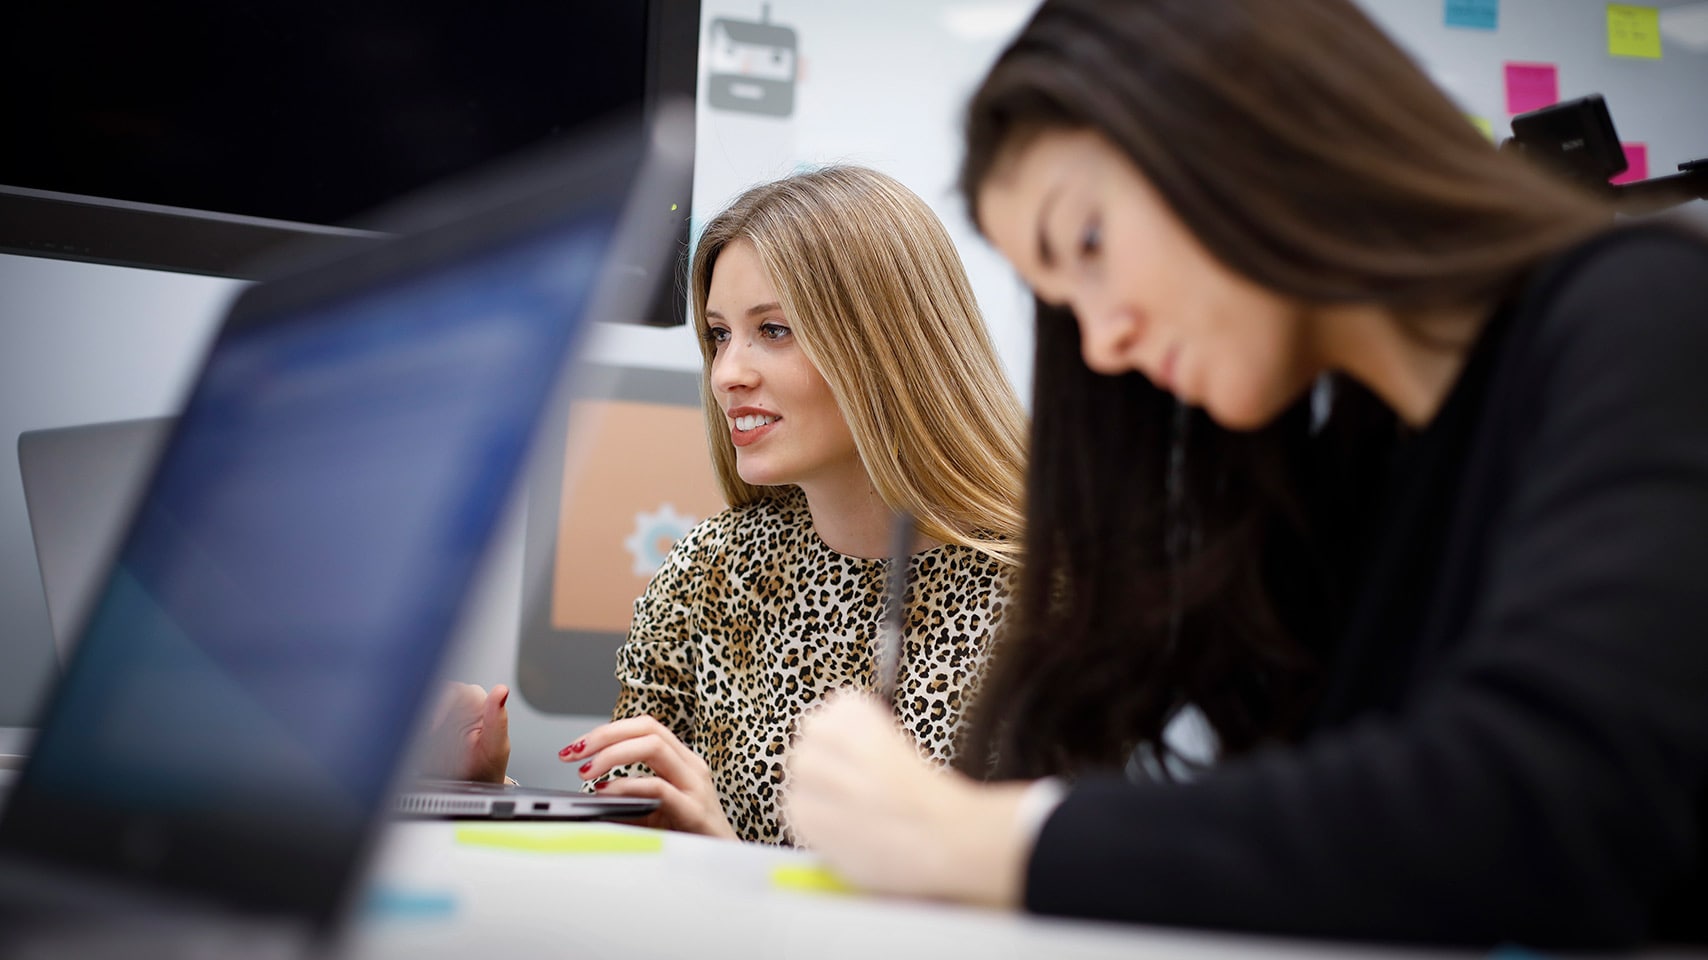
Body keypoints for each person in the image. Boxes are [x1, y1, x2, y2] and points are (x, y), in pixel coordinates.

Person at [783, 0, 1708, 948]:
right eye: (1065, 303)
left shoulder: (1644, 314)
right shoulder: (1357, 461)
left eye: (1090, 243)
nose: (1103, 344)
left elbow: (1544, 808)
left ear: (1240, 127)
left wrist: (985, 839)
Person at [541, 165, 1028, 844]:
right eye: (718, 335)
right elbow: (629, 825)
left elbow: (1037, 902)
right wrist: (484, 792)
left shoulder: (1040, 598)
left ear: (886, 346)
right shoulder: (710, 572)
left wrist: (727, 856)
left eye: (773, 330)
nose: (727, 373)